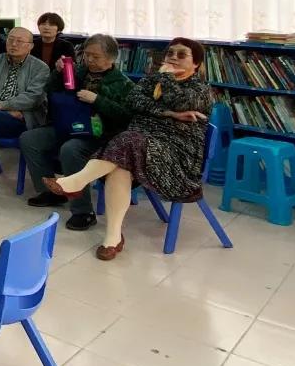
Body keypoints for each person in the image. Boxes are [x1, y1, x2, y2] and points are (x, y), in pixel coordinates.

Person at [45, 38, 213, 260]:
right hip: (139, 149)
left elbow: (180, 101)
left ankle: (75, 182)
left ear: (196, 64)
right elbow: (134, 101)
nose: (172, 57)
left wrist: (165, 78)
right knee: (121, 164)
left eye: (181, 55)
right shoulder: (153, 80)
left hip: (174, 158)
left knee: (128, 139)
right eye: (170, 53)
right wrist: (169, 114)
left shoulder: (199, 89)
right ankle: (112, 238)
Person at [20, 34, 134, 231]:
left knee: (71, 149)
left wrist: (97, 100)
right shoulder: (79, 72)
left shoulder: (123, 84)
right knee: (30, 139)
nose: (89, 60)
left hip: (100, 136)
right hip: (68, 126)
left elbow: (126, 117)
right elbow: (50, 92)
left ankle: (83, 212)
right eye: (87, 55)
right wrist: (57, 73)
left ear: (111, 58)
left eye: (95, 57)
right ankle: (52, 192)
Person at [0, 27, 50, 149]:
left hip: (23, 121)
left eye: (19, 41)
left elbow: (33, 98)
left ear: (30, 46)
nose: (13, 44)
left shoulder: (40, 68)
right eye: (10, 40)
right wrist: (6, 107)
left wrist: (1, 106)